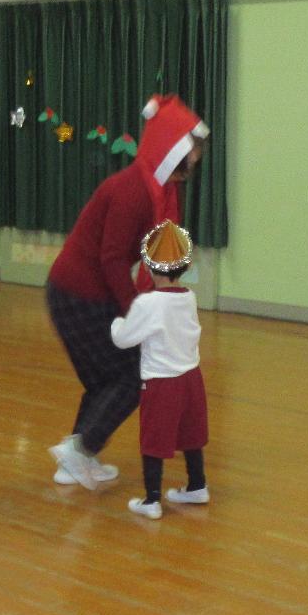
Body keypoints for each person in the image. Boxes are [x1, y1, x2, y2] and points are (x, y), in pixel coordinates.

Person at [44, 94, 209, 490]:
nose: (191, 169)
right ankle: (80, 451)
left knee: (109, 379)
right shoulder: (132, 191)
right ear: (170, 152)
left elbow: (158, 251)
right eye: (189, 159)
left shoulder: (163, 190)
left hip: (89, 293)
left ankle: (76, 457)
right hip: (75, 294)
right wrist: (139, 312)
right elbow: (113, 259)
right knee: (134, 375)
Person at [109, 221, 209, 519]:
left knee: (153, 439)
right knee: (191, 434)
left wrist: (115, 323)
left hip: (161, 382)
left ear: (150, 269)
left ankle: (152, 500)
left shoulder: (148, 302)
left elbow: (124, 338)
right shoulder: (188, 297)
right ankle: (197, 485)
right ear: (183, 267)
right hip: (192, 378)